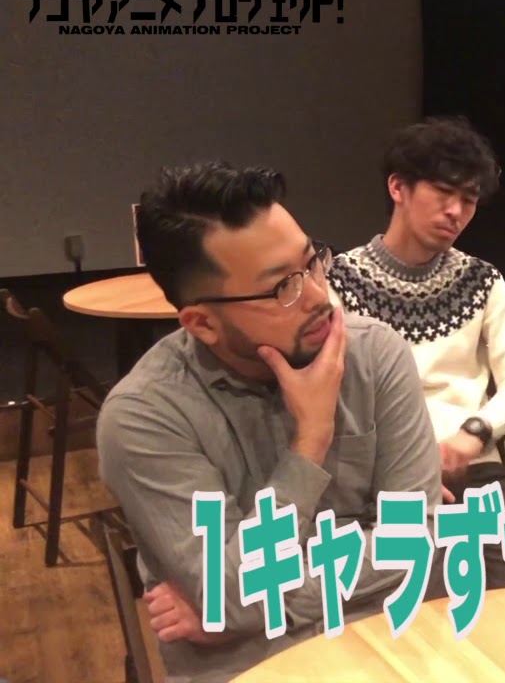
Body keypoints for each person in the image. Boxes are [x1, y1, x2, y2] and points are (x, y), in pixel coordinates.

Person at [97, 162, 446, 682]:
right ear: (203, 323)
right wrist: (310, 441)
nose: (318, 296)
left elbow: (414, 539)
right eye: (282, 288)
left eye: (312, 263)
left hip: (389, 641)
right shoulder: (145, 417)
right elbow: (229, 596)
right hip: (250, 666)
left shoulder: (375, 355)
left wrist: (250, 611)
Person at [327, 116, 505, 589]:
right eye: (444, 192)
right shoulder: (339, 282)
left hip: (469, 464)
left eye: (469, 200)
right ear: (398, 188)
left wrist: (474, 433)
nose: (456, 212)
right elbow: (330, 394)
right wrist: (408, 469)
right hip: (382, 476)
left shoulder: (481, 280)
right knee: (403, 574)